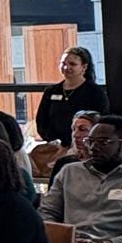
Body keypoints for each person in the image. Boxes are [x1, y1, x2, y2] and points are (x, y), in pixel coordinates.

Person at [32, 47, 105, 176]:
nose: (66, 68)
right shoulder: (51, 91)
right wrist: (57, 141)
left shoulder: (95, 92)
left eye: (72, 64)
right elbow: (41, 121)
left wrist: (71, 141)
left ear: (84, 67)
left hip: (83, 147)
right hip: (55, 147)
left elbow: (100, 120)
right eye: (63, 64)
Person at [47, 108, 102, 182]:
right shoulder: (64, 163)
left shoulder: (106, 165)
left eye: (82, 129)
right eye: (73, 129)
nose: (75, 135)